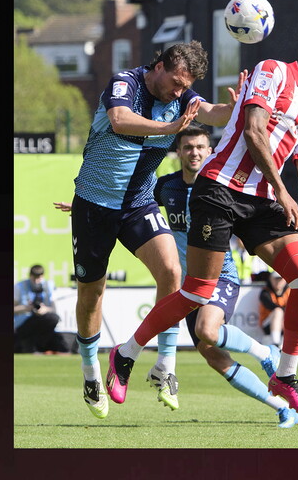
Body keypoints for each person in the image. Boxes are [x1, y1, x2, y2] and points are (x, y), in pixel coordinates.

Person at [105, 31, 298, 418]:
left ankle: (286, 375)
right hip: (219, 189)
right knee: (197, 292)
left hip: (262, 202)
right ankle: (126, 353)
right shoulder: (274, 71)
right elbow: (253, 131)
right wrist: (281, 191)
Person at [62, 41, 245, 419]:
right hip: (95, 204)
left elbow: (211, 113)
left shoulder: (182, 98)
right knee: (92, 293)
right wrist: (170, 127)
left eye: (186, 87)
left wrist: (237, 108)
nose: (180, 93)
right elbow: (119, 120)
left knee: (173, 271)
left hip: (137, 204)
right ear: (159, 66)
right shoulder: (124, 83)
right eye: (176, 83)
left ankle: (165, 365)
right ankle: (90, 372)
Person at [155, 125, 298, 427]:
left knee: (208, 330)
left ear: (210, 151)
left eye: (200, 147)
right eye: (188, 147)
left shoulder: (224, 188)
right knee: (214, 357)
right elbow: (132, 205)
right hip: (188, 286)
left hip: (221, 276)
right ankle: (283, 408)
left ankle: (265, 352)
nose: (194, 153)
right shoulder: (166, 187)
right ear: (178, 152)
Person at [13, 264, 63, 354]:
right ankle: (28, 347)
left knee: (53, 318)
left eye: (39, 278)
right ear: (30, 276)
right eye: (34, 278)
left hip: (42, 319)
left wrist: (45, 309)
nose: (36, 281)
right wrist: (26, 308)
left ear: (43, 276)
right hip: (24, 322)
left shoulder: (49, 286)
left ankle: (39, 346)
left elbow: (54, 309)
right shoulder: (19, 286)